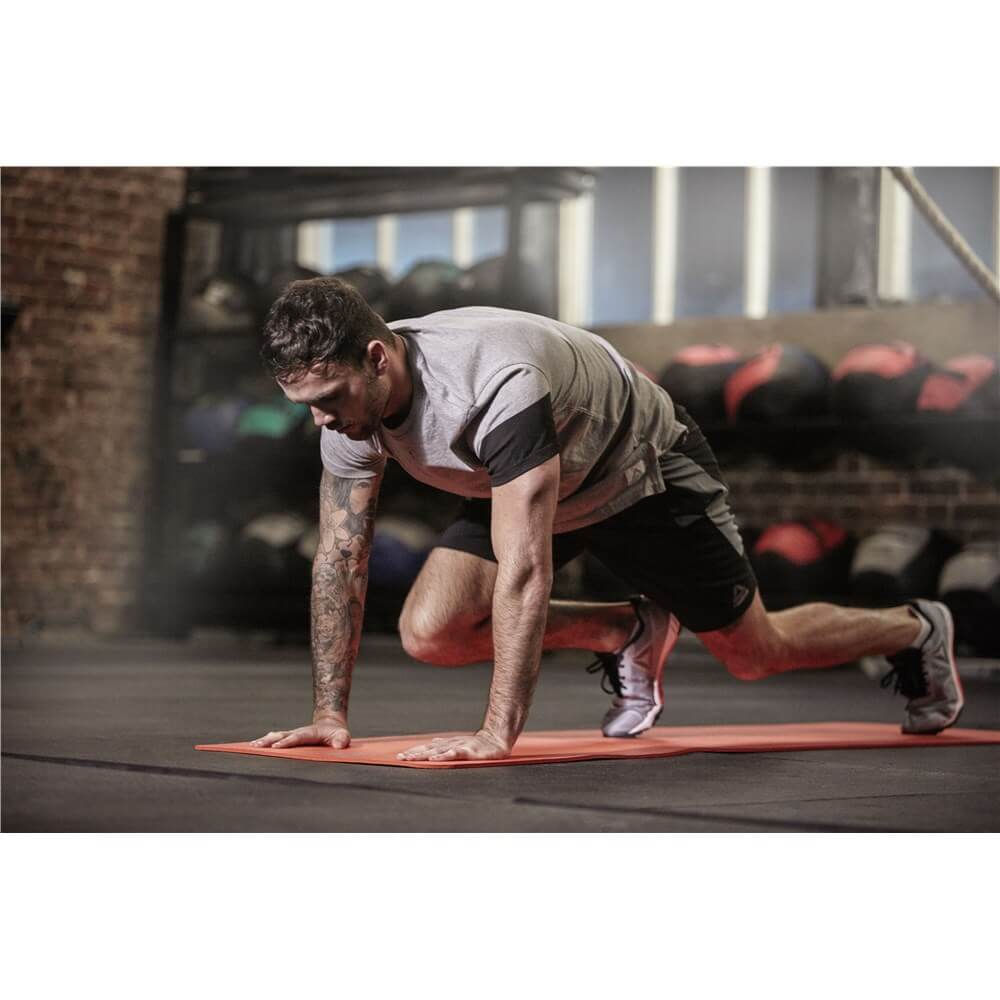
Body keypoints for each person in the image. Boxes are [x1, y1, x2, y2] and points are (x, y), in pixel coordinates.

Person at [250, 277, 964, 762]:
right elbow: (340, 557)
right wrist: (328, 715)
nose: (321, 419)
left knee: (755, 652)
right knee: (431, 631)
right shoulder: (347, 417)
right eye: (307, 402)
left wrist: (496, 734)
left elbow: (528, 569)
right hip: (523, 471)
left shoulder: (495, 382)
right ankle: (628, 627)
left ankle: (917, 627)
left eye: (331, 395)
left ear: (377, 358)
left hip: (639, 469)